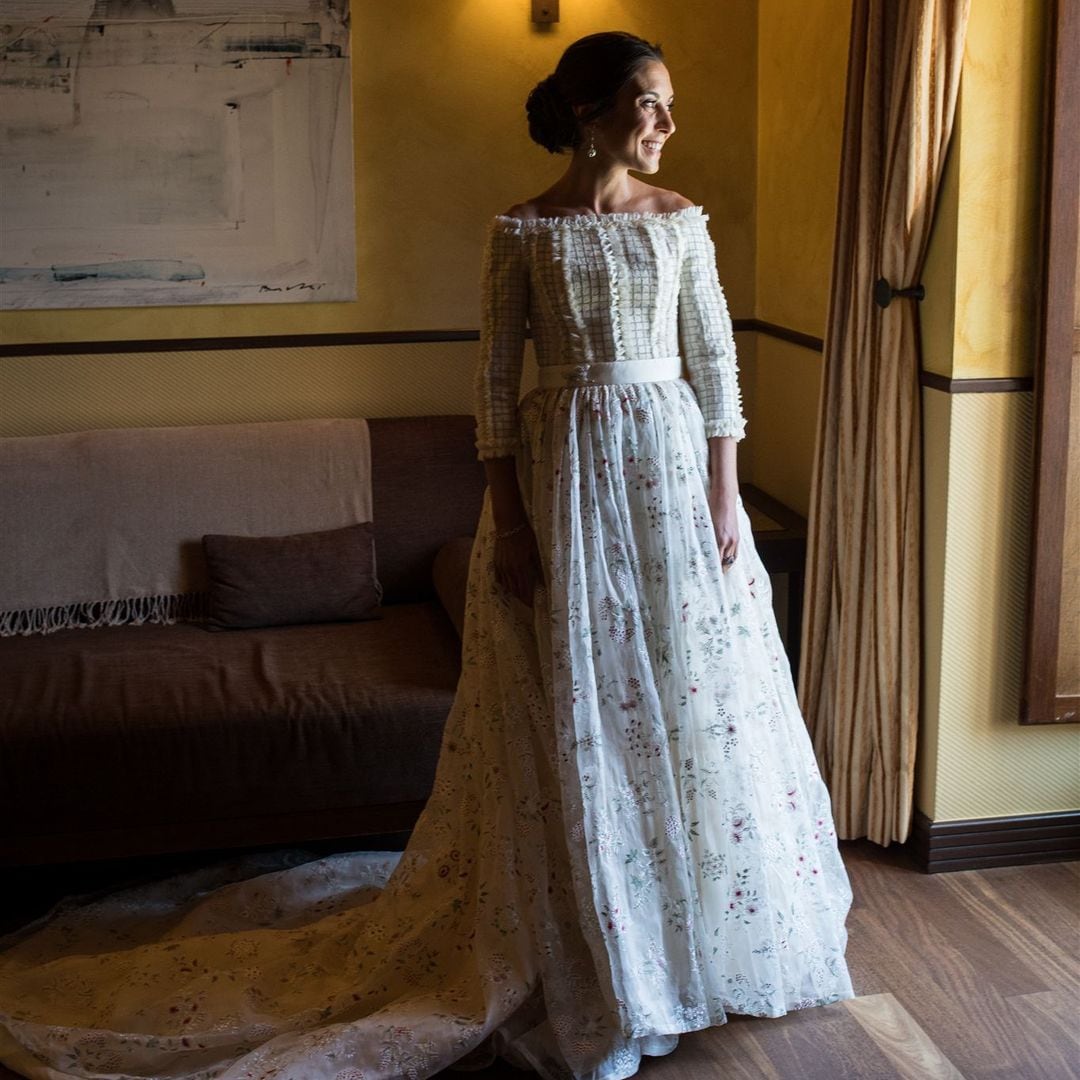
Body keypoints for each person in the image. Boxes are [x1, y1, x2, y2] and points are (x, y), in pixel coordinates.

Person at [0, 30, 854, 1080]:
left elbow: (716, 368)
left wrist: (724, 500)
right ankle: (599, 963)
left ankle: (698, 947)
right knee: (571, 710)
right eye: (649, 102)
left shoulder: (682, 226)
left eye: (670, 103)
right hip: (563, 478)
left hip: (670, 485)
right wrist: (514, 522)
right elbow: (495, 388)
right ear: (591, 113)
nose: (668, 124)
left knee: (680, 700)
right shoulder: (523, 232)